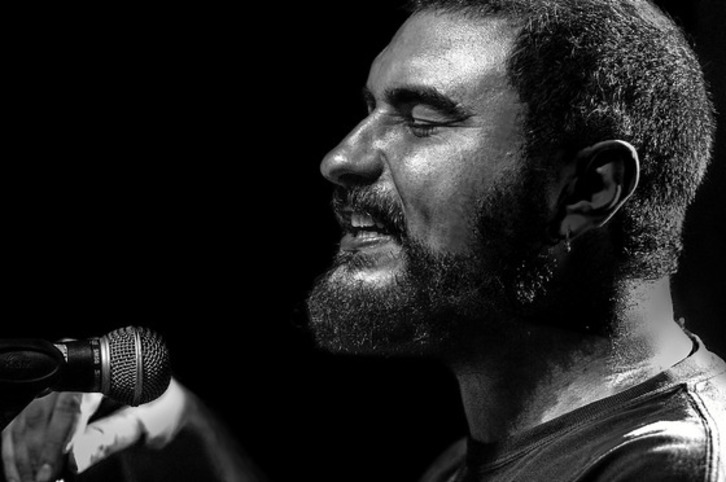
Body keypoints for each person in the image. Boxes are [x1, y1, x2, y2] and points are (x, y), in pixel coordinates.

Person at [3, 0, 724, 481]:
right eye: (370, 110)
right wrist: (179, 431)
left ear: (589, 188)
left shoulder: (671, 467)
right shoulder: (514, 447)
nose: (340, 158)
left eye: (421, 120)